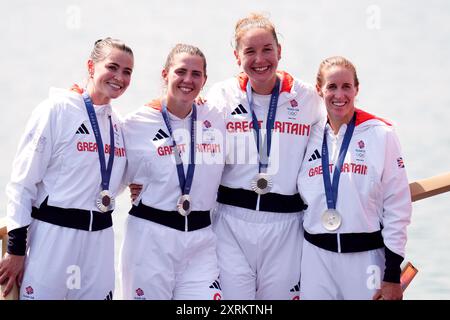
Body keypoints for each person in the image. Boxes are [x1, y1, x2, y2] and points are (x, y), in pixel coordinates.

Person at [0, 37, 134, 300]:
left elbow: (114, 183)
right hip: (53, 239)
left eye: (127, 71)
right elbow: (22, 183)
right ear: (91, 66)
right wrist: (15, 249)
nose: (119, 76)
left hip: (100, 241)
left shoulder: (118, 125)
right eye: (113, 67)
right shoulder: (56, 110)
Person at [206, 13, 325, 300]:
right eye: (250, 51)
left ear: (279, 51)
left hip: (286, 225)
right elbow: (186, 130)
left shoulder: (308, 98)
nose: (260, 59)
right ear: (237, 57)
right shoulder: (221, 95)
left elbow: (341, 127)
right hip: (230, 223)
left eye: (267, 49)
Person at [297, 56, 412, 300]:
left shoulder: (381, 134)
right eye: (331, 87)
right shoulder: (309, 133)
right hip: (316, 259)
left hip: (366, 259)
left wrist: (392, 274)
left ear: (357, 89)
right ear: (319, 90)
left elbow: (397, 206)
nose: (339, 94)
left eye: (346, 86)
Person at [120, 43, 225, 300]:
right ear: (165, 74)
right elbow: (108, 179)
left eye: (196, 74)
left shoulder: (216, 116)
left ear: (205, 80)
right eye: (180, 72)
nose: (188, 80)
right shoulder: (134, 124)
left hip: (200, 240)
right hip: (151, 239)